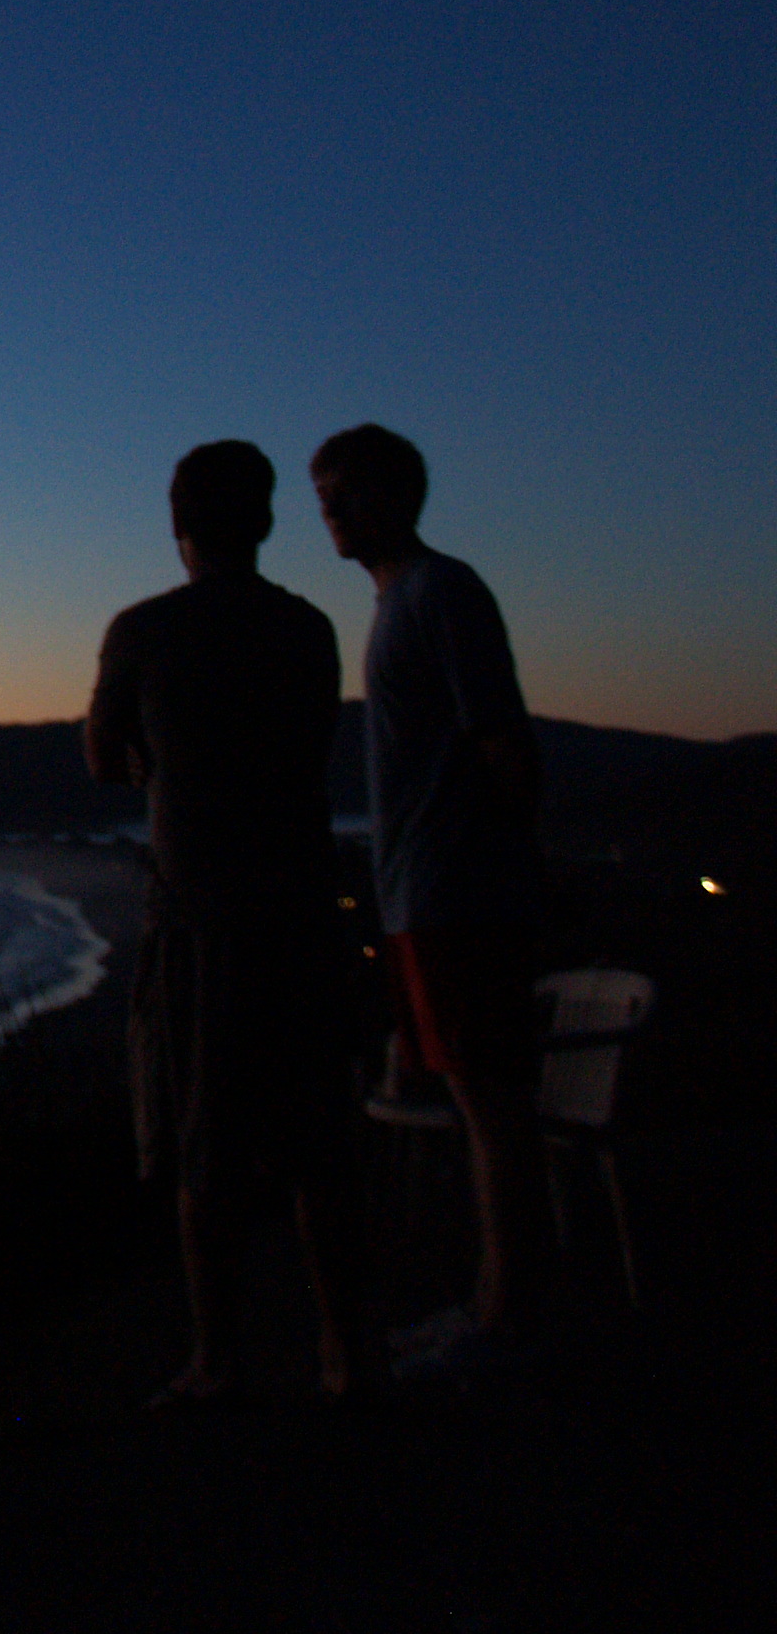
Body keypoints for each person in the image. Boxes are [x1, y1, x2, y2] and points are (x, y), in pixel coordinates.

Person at [89, 440, 367, 1404]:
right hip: (299, 908)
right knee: (318, 1142)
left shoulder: (142, 630)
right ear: (266, 522)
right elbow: (310, 748)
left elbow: (101, 753)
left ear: (180, 527)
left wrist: (154, 756)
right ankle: (345, 1351)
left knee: (205, 1145)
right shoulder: (310, 628)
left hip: (201, 917)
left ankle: (218, 1360)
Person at [311, 422, 551, 1354]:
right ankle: (497, 1304)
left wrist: (505, 868)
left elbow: (502, 741)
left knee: (494, 1111)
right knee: (473, 1102)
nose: (329, 507)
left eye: (347, 489)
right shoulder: (398, 603)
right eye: (323, 490)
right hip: (428, 898)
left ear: (398, 496)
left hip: (461, 900)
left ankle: (503, 1319)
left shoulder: (441, 593)